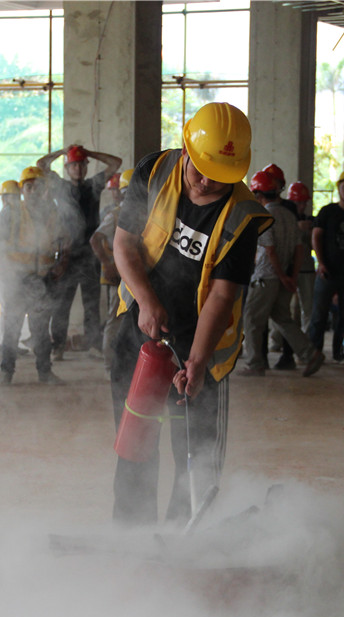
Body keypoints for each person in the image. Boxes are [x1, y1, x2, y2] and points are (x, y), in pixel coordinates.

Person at [110, 102, 271, 525]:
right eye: (200, 170)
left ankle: (186, 542)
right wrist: (147, 301)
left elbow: (221, 296)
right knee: (135, 442)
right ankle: (132, 535)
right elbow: (124, 245)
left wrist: (196, 362)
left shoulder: (242, 216)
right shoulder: (154, 172)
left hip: (201, 344)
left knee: (196, 454)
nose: (206, 182)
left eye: (219, 176)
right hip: (139, 331)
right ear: (186, 150)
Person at [0, 166, 68, 385]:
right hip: (16, 281)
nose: (33, 191)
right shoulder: (12, 212)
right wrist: (1, 270)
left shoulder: (52, 214)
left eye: (37, 186)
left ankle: (45, 372)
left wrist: (61, 262)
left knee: (40, 330)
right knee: (12, 329)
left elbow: (64, 242)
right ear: (22, 190)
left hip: (42, 281)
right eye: (29, 187)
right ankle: (6, 373)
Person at [36, 143, 122, 359]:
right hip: (67, 254)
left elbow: (115, 163)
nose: (78, 169)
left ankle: (93, 345)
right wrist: (62, 152)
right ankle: (58, 346)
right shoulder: (60, 186)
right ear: (67, 168)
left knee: (91, 303)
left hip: (90, 254)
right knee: (62, 304)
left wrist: (89, 153)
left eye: (82, 164)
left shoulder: (93, 185)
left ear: (86, 167)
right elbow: (41, 164)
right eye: (74, 165)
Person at [239, 170, 321, 377]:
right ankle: (310, 353)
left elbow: (270, 250)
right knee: (282, 318)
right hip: (284, 276)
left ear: (258, 194)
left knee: (251, 319)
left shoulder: (264, 216)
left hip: (266, 277)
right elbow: (299, 249)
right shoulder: (289, 215)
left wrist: (282, 276)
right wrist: (291, 277)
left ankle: (255, 363)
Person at [310, 169, 344, 366]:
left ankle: (339, 353)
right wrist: (321, 262)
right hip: (327, 272)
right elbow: (316, 236)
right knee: (319, 314)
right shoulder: (328, 212)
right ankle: (314, 353)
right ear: (339, 189)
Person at [88, 170, 129, 376]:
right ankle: (109, 366)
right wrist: (107, 264)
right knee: (115, 319)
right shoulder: (114, 215)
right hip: (118, 275)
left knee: (132, 320)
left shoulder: (146, 215)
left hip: (136, 275)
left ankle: (128, 365)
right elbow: (95, 239)